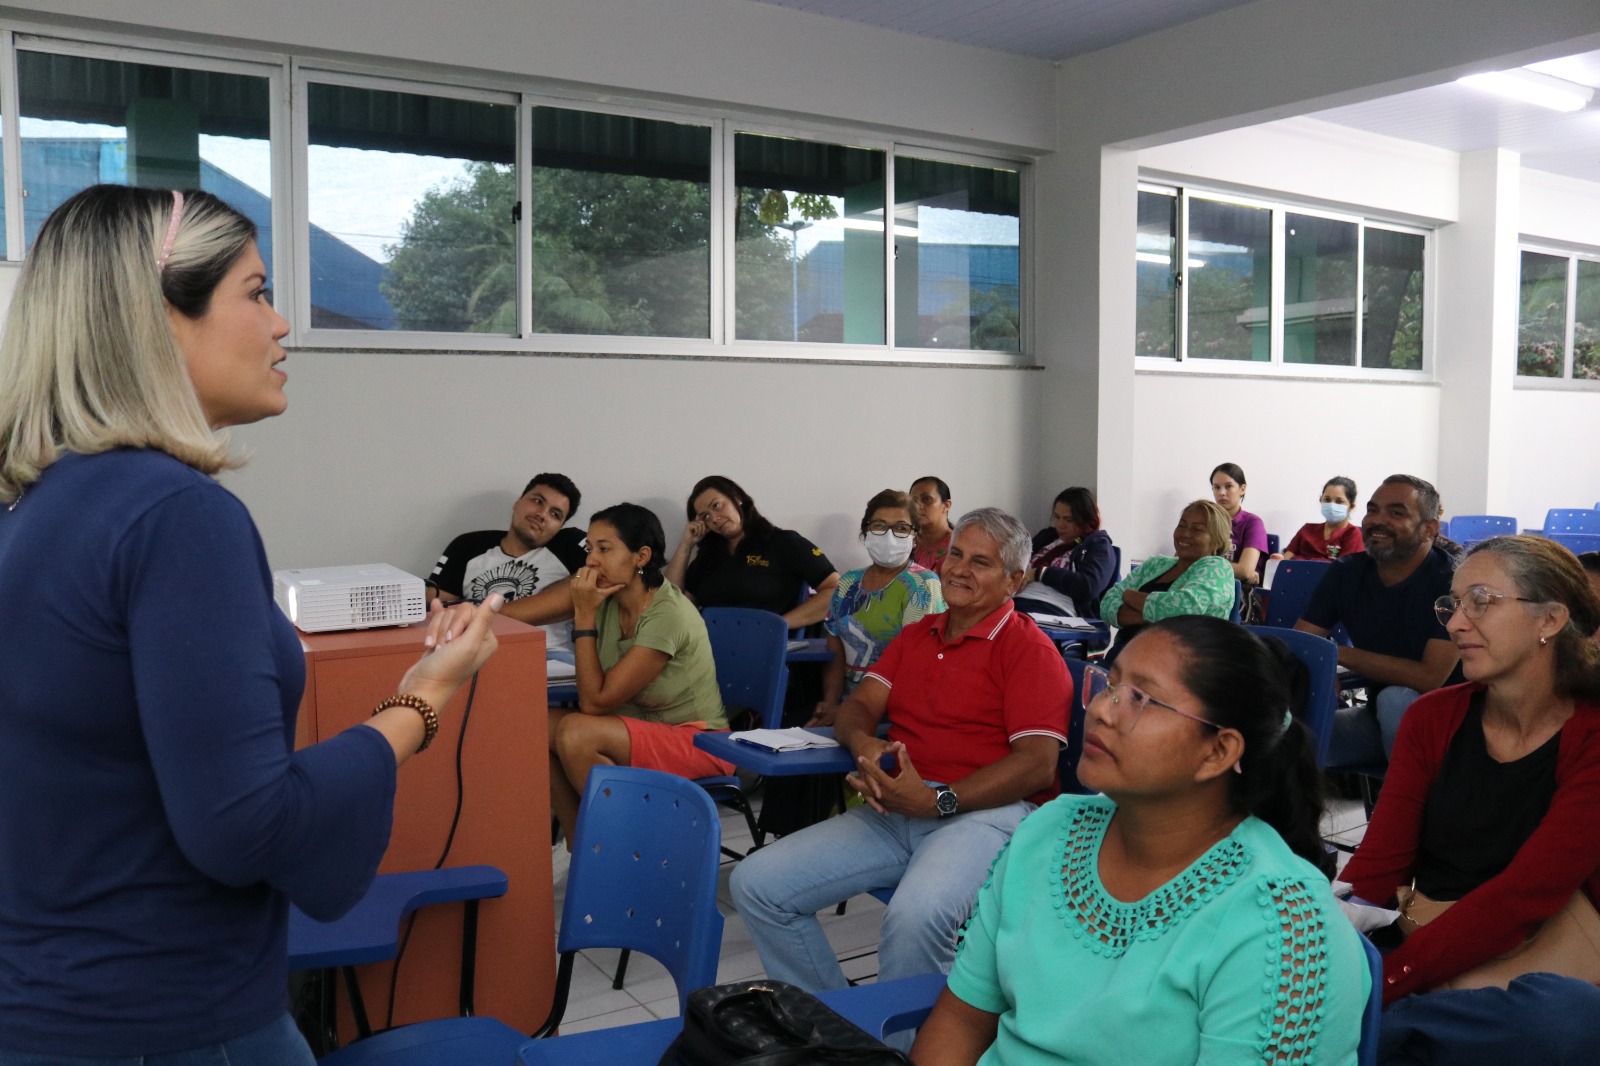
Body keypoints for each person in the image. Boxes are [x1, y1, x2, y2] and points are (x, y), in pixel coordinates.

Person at [0, 185, 499, 1061]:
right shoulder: (174, 515)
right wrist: (421, 702)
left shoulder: (37, 508)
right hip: (170, 1014)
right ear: (158, 317)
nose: (281, 326)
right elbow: (247, 826)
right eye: (257, 291)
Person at [911, 616, 1369, 1066]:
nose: (1100, 710)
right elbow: (964, 1019)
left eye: (1140, 699)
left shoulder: (1281, 929)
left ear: (1217, 751)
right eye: (1109, 685)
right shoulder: (1049, 832)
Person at [731, 508, 1070, 996]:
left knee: (916, 917)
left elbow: (1038, 766)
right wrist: (862, 743)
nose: (958, 569)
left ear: (1014, 580)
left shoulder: (1028, 651)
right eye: (956, 554)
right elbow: (860, 705)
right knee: (756, 884)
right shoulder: (919, 634)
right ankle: (838, 1027)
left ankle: (904, 1048)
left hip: (982, 814)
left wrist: (938, 802)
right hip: (897, 809)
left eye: (980, 562)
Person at [1340, 535, 1600, 1063]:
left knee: (1562, 1021)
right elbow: (1379, 866)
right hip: (1429, 932)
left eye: (1481, 601)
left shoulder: (1592, 734)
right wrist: (1336, 934)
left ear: (1549, 620)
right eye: (1453, 604)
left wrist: (1388, 983)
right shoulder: (1432, 718)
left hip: (1538, 953)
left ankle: (1372, 1033)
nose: (1457, 623)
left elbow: (1524, 896)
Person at [548, 503, 734, 862]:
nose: (592, 561)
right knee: (537, 727)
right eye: (590, 549)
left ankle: (624, 852)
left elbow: (595, 704)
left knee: (575, 731)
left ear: (641, 556)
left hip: (698, 738)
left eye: (605, 548)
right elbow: (520, 612)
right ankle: (581, 847)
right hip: (639, 725)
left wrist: (583, 614)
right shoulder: (607, 594)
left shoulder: (668, 613)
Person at [1296, 474, 1460, 767]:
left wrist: (1334, 653)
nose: (1376, 520)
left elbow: (1429, 677)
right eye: (1372, 510)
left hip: (1449, 730)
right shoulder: (1348, 571)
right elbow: (1301, 644)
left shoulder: (1451, 581)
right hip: (1379, 721)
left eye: (1396, 513)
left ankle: (1410, 808)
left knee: (1395, 700)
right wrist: (1318, 661)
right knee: (1285, 742)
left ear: (1429, 529)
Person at [810, 489, 945, 726]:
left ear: (915, 536)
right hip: (847, 707)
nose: (890, 536)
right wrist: (831, 702)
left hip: (896, 714)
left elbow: (916, 666)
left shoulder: (923, 585)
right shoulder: (848, 582)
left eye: (901, 528)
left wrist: (850, 713)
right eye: (880, 526)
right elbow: (835, 646)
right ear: (865, 533)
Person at [427, 473, 586, 651]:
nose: (542, 514)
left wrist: (482, 618)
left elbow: (597, 580)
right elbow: (432, 612)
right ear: (517, 502)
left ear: (560, 526)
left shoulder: (570, 545)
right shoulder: (468, 545)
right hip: (476, 655)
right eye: (538, 501)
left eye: (555, 514)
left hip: (549, 657)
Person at [665, 475, 839, 628]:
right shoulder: (708, 558)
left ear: (737, 497)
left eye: (717, 506)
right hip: (711, 647)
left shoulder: (783, 543)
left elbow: (837, 590)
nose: (715, 519)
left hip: (766, 644)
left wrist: (779, 624)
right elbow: (672, 603)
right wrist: (686, 545)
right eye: (706, 517)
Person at [1098, 499, 1235, 661]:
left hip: (1182, 663)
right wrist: (1160, 618)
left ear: (1217, 541)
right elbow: (1107, 604)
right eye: (1182, 525)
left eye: (1198, 529)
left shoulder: (1218, 567)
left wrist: (1128, 595)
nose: (1185, 533)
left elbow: (1184, 608)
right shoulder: (1156, 564)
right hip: (1129, 652)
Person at [1014, 485, 1116, 619]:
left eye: (1069, 520)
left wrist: (1041, 573)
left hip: (1054, 608)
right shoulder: (1047, 537)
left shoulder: (1097, 546)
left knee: (1015, 628)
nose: (1060, 525)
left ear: (1085, 519)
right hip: (1016, 602)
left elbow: (1089, 586)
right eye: (1056, 517)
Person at [1278, 475, 1366, 561]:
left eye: (1339, 501)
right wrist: (1278, 561)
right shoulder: (1307, 529)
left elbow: (1346, 570)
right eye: (1327, 500)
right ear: (1321, 500)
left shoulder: (1352, 534)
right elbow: (1286, 560)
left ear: (1351, 506)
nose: (1332, 505)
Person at [1211, 462, 1268, 585]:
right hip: (1203, 585)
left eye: (1228, 486)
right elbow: (1183, 560)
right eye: (1216, 487)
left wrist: (1201, 566)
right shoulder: (1206, 520)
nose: (1221, 492)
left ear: (1242, 489)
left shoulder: (1253, 523)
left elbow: (1245, 571)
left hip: (1237, 591)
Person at [909, 476, 955, 575]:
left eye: (927, 499)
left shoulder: (957, 546)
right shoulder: (906, 544)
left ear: (946, 505)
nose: (917, 506)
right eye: (913, 501)